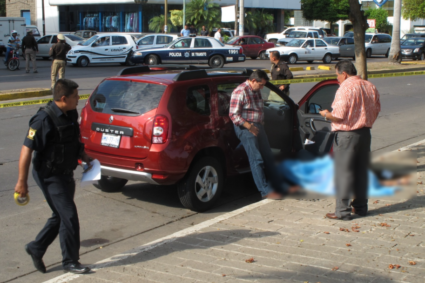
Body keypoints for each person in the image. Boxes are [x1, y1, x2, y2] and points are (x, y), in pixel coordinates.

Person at [15, 79, 92, 274]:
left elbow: (72, 139)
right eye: (75, 96)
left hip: (65, 173)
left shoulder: (70, 113)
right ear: (64, 98)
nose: (78, 99)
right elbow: (26, 151)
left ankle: (36, 247)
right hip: (49, 176)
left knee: (61, 216)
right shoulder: (43, 120)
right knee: (69, 216)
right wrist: (21, 182)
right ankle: (71, 261)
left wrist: (83, 155)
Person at [319, 60, 381, 220]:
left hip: (347, 135)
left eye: (337, 75)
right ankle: (360, 207)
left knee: (343, 173)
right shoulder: (369, 86)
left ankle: (342, 211)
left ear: (344, 73)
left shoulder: (345, 88)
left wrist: (326, 114)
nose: (337, 78)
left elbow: (338, 115)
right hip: (365, 133)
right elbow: (376, 109)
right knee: (361, 172)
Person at [229, 70, 287, 200]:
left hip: (257, 126)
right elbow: (233, 115)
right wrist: (250, 127)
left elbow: (257, 108)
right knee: (256, 159)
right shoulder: (240, 91)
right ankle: (265, 191)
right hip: (246, 127)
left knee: (268, 157)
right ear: (253, 80)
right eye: (261, 85)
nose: (262, 88)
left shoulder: (255, 90)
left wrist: (260, 121)